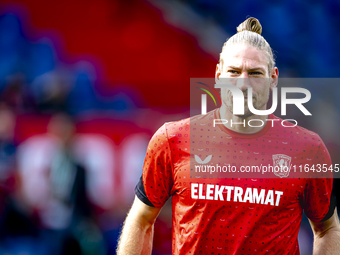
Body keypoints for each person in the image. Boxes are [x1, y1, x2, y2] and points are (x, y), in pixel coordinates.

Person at [116, 17, 340, 255]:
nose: (243, 84)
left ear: (273, 78)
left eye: (255, 73)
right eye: (234, 72)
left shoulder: (308, 148)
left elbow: (327, 228)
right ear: (218, 74)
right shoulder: (173, 139)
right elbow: (141, 219)